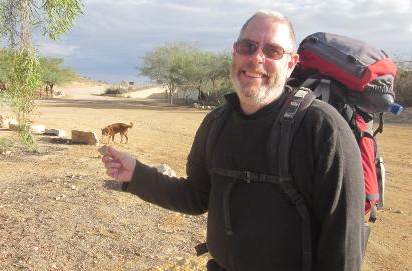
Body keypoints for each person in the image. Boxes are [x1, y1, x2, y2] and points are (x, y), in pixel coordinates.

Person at [102, 10, 365, 271]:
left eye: (272, 51)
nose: (256, 58)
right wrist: (136, 174)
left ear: (291, 63)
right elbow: (196, 196)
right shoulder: (216, 123)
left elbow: (344, 248)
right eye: (248, 46)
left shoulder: (322, 128)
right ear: (235, 51)